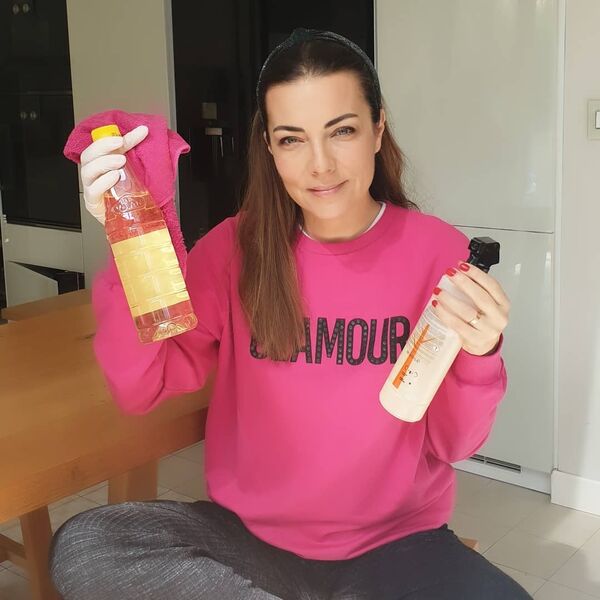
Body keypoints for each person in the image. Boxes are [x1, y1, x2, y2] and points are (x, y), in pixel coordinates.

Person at [49, 29, 527, 600]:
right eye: (292, 139)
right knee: (86, 547)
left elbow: (455, 445)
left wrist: (480, 356)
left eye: (342, 131)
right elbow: (143, 387)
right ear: (270, 149)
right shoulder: (234, 250)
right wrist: (124, 239)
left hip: (396, 545)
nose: (320, 165)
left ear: (378, 129)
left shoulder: (440, 254)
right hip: (250, 541)